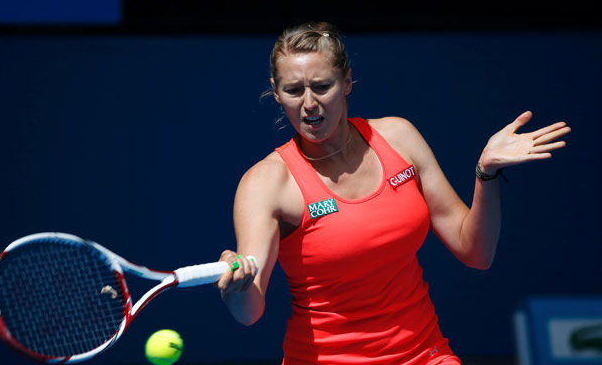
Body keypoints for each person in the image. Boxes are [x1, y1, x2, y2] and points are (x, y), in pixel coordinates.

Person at [216, 22, 570, 364]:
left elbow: (475, 251)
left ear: (347, 82)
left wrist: (486, 172)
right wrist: (238, 288)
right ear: (276, 92)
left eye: (322, 86)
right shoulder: (264, 183)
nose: (309, 103)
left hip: (424, 355)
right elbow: (249, 313)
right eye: (294, 90)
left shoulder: (399, 138)